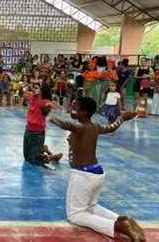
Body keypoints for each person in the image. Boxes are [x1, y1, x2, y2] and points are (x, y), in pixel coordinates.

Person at [49, 98, 145, 241]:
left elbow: (69, 126)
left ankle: (120, 226)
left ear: (84, 112)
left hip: (83, 175)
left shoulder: (81, 127)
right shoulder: (95, 127)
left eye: (74, 108)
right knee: (90, 206)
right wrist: (122, 118)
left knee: (75, 215)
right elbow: (111, 127)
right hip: (97, 173)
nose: (71, 110)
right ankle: (124, 219)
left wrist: (54, 120)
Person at [23, 83, 63, 169]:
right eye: (34, 87)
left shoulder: (44, 102)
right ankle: (43, 148)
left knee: (35, 160)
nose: (34, 89)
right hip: (28, 129)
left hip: (38, 132)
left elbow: (47, 104)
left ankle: (54, 157)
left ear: (42, 90)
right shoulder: (31, 97)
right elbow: (22, 94)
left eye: (36, 88)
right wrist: (23, 87)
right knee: (27, 157)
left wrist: (52, 104)